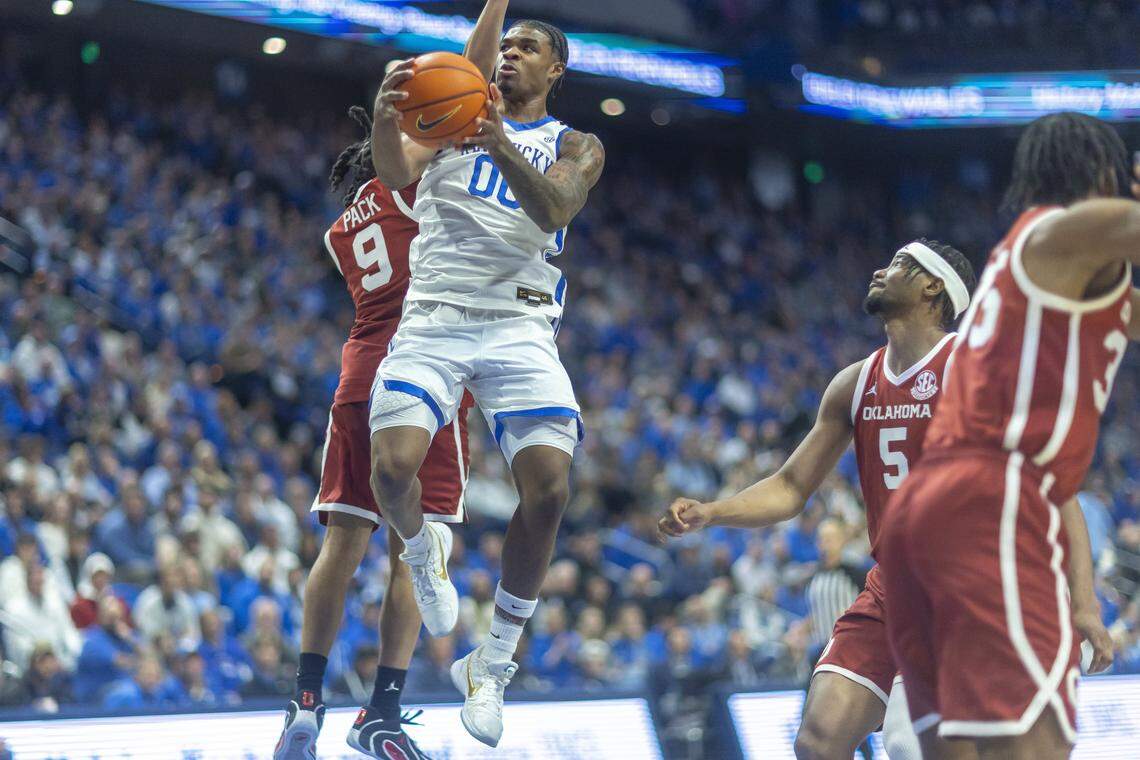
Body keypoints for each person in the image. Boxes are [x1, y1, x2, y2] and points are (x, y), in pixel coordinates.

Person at [273, 4, 509, 759]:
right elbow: (469, 76)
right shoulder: (421, 184)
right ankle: (381, 711)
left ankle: (304, 703)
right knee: (424, 544)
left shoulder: (340, 228)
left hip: (358, 371)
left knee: (340, 546)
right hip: (423, 372)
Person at [368, 9, 604, 748]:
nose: (509, 56)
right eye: (503, 47)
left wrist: (497, 140)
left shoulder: (575, 143)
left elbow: (555, 206)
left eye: (527, 48)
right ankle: (421, 553)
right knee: (391, 466)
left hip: (520, 323)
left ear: (555, 69)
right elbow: (392, 168)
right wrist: (385, 118)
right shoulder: (447, 115)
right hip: (436, 312)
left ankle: (493, 661)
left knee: (551, 489)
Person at [879, 112, 1139, 759]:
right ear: (1104, 173)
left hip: (932, 505)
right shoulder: (1064, 230)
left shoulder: (1057, 262)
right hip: (993, 499)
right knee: (1036, 748)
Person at [660, 239, 979, 759]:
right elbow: (790, 487)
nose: (880, 268)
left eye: (900, 263)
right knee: (818, 743)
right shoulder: (855, 382)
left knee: (916, 747)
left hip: (961, 592)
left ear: (932, 285)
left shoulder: (971, 366)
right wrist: (712, 512)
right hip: (891, 588)